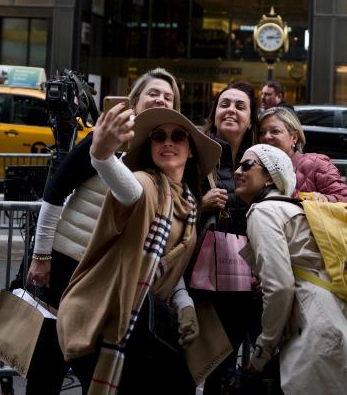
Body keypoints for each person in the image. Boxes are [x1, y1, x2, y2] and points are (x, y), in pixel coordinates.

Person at [24, 68, 180, 395]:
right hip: (66, 263)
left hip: (108, 275)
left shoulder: (164, 152)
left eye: (168, 97)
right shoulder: (104, 135)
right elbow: (56, 191)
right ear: (135, 101)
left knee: (94, 365)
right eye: (153, 93)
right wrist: (41, 255)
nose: (161, 100)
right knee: (47, 363)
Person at [56, 106, 221, 394]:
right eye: (158, 136)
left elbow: (165, 262)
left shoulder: (189, 202)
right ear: (150, 147)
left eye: (177, 136)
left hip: (137, 324)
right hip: (103, 319)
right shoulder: (147, 184)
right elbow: (130, 190)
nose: (167, 142)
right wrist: (102, 156)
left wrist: (184, 304)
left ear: (191, 151)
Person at [236, 144, 347, 394]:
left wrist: (263, 350)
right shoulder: (297, 207)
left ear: (271, 177)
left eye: (247, 165)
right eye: (238, 165)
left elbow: (279, 287)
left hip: (324, 328)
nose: (237, 171)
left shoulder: (263, 211)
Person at [194, 81, 261, 391]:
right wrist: (201, 206)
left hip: (240, 283)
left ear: (250, 120)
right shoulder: (196, 154)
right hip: (198, 281)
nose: (231, 110)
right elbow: (169, 206)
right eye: (224, 104)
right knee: (187, 363)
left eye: (240, 106)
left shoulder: (260, 161)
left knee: (223, 368)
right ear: (215, 113)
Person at [257, 105, 347, 203]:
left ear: (294, 137)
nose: (266, 137)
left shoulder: (316, 164)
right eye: (261, 132)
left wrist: (325, 199)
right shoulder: (255, 168)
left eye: (275, 131)